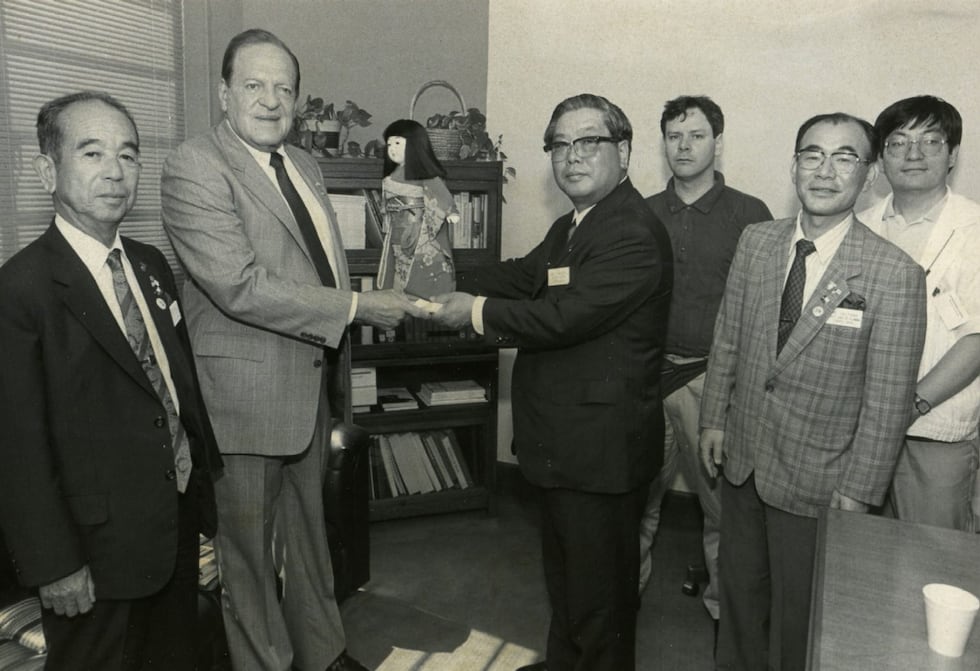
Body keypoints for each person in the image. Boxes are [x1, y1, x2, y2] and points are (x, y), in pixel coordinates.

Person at [161, 29, 423, 671]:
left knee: (313, 540)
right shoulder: (194, 164)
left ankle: (325, 654)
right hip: (242, 403)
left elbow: (318, 270)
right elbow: (238, 286)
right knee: (247, 561)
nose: (271, 100)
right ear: (224, 93)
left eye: (284, 88)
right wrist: (361, 308)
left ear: (299, 100)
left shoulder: (303, 164)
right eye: (254, 85)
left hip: (312, 387)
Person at [431, 93, 672, 671]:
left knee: (600, 605)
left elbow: (567, 316)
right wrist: (437, 269)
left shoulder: (632, 231)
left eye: (589, 141)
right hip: (568, 446)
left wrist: (473, 311)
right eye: (560, 144)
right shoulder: (575, 224)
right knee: (570, 589)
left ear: (625, 150)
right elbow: (524, 275)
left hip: (600, 454)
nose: (572, 156)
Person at [0, 91, 222, 670]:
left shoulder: (150, 265)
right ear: (49, 170)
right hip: (90, 560)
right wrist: (54, 564)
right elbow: (17, 447)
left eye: (128, 154)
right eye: (92, 153)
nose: (115, 172)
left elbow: (176, 395)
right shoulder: (20, 291)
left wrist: (202, 517)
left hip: (170, 534)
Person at [699, 112, 927, 671]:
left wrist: (860, 491)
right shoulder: (757, 241)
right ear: (794, 164)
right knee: (738, 603)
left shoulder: (893, 273)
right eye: (811, 155)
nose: (824, 171)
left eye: (844, 157)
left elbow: (888, 400)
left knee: (803, 625)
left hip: (823, 481)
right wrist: (713, 419)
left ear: (869, 173)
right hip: (743, 461)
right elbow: (729, 336)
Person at [637, 96, 772, 637]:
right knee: (634, 503)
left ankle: (726, 616)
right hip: (645, 379)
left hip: (713, 384)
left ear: (718, 140)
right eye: (674, 136)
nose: (684, 146)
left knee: (724, 512)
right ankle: (621, 601)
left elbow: (761, 312)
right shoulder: (640, 212)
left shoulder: (751, 215)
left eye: (695, 135)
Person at [858, 95, 980, 533]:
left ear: (953, 155)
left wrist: (912, 403)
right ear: (881, 157)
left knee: (933, 563)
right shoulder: (860, 226)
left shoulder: (974, 229)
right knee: (857, 559)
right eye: (898, 142)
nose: (913, 154)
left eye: (930, 141)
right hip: (857, 430)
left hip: (934, 432)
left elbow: (976, 339)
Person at [377, 118, 459, 297]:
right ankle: (402, 291)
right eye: (389, 143)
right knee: (400, 260)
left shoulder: (425, 175)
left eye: (398, 143)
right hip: (398, 226)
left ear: (414, 145)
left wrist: (450, 211)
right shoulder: (393, 175)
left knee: (420, 259)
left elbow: (440, 193)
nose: (392, 148)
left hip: (418, 225)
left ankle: (424, 292)